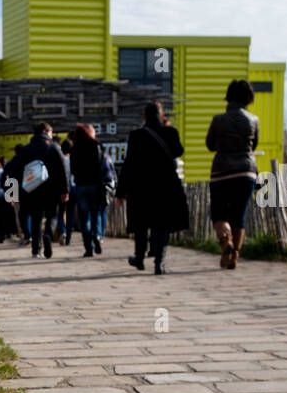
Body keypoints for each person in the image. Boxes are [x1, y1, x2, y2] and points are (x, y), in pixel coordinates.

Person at [115, 101, 188, 275]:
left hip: (141, 186)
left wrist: (120, 192)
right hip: (165, 185)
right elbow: (178, 151)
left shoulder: (137, 135)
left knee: (141, 223)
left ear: (145, 116)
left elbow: (129, 164)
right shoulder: (170, 132)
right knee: (161, 224)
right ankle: (159, 262)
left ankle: (139, 258)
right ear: (161, 115)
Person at [205, 79, 260, 270]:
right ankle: (234, 256)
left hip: (222, 172)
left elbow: (210, 145)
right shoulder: (253, 120)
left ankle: (226, 243)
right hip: (246, 171)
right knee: (239, 215)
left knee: (219, 213)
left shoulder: (218, 120)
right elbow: (254, 146)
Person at [5, 122, 68, 259]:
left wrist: (16, 191)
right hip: (52, 190)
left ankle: (36, 250)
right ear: (45, 131)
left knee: (36, 219)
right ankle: (48, 236)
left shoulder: (26, 149)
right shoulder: (53, 147)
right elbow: (62, 170)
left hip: (32, 191)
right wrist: (65, 190)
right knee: (52, 215)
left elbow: (13, 170)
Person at [70, 123, 104, 256]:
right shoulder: (96, 145)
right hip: (95, 184)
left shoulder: (75, 148)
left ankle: (88, 248)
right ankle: (97, 235)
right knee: (96, 214)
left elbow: (73, 169)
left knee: (84, 218)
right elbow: (100, 166)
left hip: (81, 185)